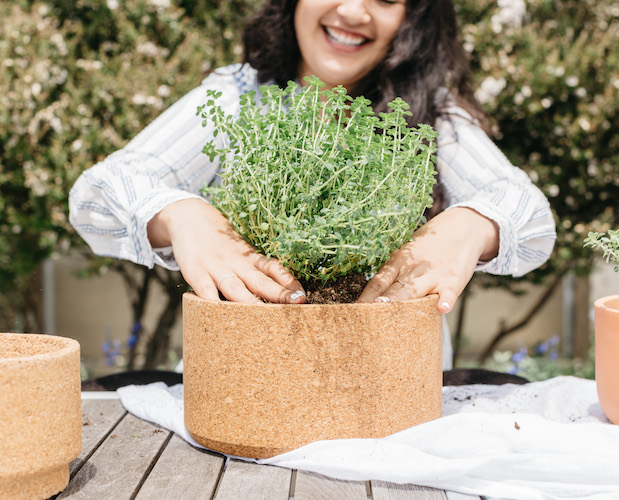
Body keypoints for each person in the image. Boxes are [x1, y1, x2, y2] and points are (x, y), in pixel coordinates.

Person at [69, 0, 556, 336]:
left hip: (393, 394)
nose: (352, 10)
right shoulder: (237, 96)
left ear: (412, 20)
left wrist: (472, 227)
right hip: (244, 383)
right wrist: (180, 214)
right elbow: (97, 194)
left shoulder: (428, 115)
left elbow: (529, 215)